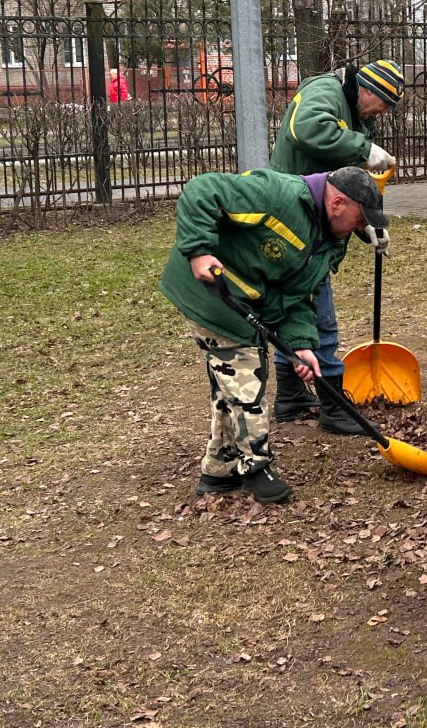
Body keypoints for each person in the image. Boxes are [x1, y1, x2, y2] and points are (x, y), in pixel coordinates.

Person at [158, 165, 388, 504]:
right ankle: (255, 468)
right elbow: (202, 189)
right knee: (246, 379)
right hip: (210, 291)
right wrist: (198, 249)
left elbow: (296, 297)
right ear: (337, 203)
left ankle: (218, 471)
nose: (360, 228)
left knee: (230, 384)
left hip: (245, 303)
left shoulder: (328, 243)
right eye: (359, 219)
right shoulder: (278, 195)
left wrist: (301, 346)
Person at [267, 59, 404, 431]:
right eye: (385, 104)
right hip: (296, 215)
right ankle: (333, 404)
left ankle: (292, 395)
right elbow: (304, 128)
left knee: (293, 303)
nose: (384, 113)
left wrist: (367, 226)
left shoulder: (358, 115)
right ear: (369, 91)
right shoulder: (325, 92)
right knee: (319, 312)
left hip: (317, 215)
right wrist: (364, 147)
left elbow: (346, 183)